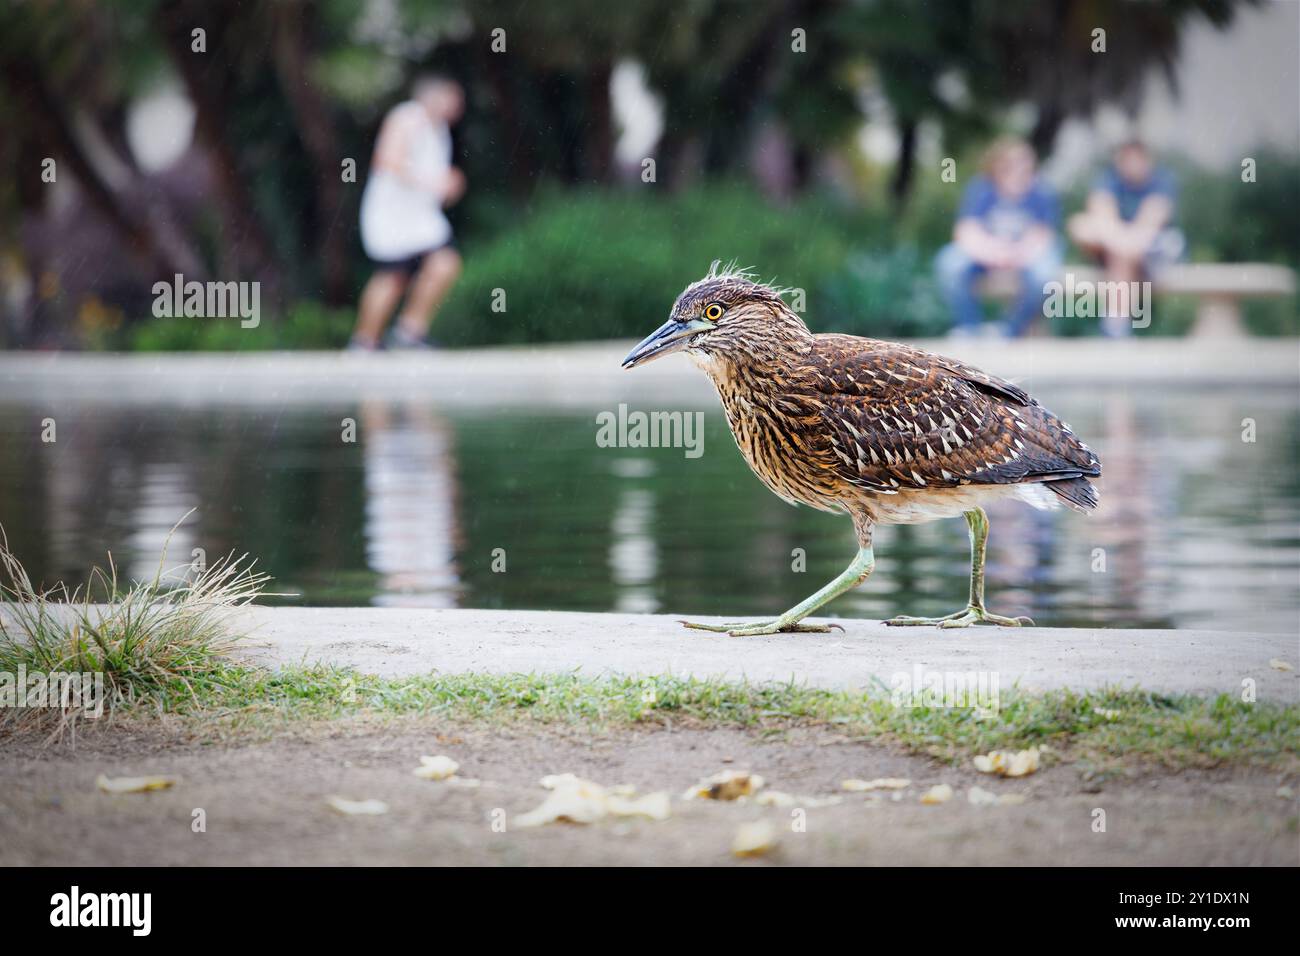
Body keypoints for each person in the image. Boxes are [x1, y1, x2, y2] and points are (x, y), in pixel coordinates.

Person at [351, 75, 466, 351]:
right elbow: (387, 160)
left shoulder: (439, 130)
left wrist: (447, 186)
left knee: (445, 264)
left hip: (421, 219)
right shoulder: (407, 118)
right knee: (392, 278)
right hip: (393, 216)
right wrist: (433, 181)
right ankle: (364, 342)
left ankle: (409, 332)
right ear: (435, 97)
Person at [935, 138, 1063, 338]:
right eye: (1010, 165)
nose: (1017, 170)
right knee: (950, 263)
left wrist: (1015, 253)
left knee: (1044, 275)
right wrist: (995, 252)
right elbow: (966, 231)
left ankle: (1008, 331)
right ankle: (969, 329)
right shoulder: (981, 189)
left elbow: (1042, 235)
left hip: (1025, 256)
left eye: (1023, 164)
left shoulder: (1042, 192)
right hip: (987, 255)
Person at [1068, 139, 1182, 336]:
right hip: (1120, 248)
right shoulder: (1109, 180)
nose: (1132, 165)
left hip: (1152, 252)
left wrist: (1118, 241)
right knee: (1081, 225)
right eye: (1127, 159)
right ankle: (1116, 326)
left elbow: (1150, 223)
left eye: (1136, 159)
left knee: (1122, 253)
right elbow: (1101, 213)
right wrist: (1119, 242)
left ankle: (1115, 325)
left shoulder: (1162, 182)